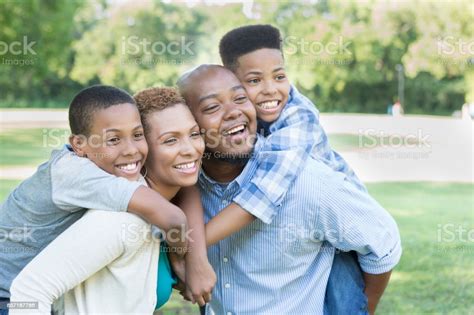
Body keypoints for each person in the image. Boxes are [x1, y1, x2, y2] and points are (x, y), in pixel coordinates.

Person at [177, 64, 402, 314]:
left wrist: (362, 308)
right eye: (212, 107)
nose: (233, 112)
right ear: (188, 125)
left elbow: (383, 243)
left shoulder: (308, 182)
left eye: (240, 98)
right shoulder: (184, 187)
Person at [9, 87, 214, 313]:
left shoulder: (150, 200)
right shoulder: (119, 215)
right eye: (170, 140)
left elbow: (187, 195)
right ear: (79, 144)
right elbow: (30, 289)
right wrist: (182, 260)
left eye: (194, 134)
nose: (189, 149)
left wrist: (195, 258)